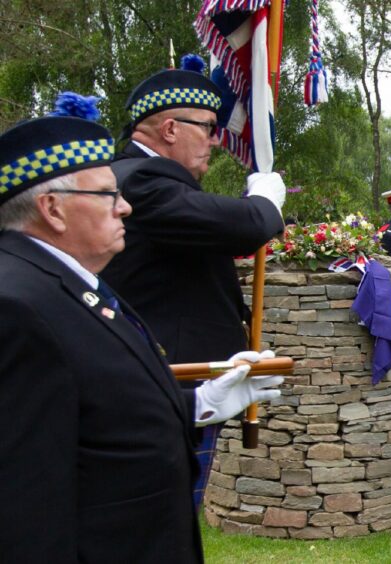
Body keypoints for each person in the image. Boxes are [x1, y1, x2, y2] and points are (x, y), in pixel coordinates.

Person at [0, 96, 282, 562]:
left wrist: (200, 404)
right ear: (52, 209)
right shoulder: (17, 308)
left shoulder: (69, 285)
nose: (126, 208)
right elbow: (24, 506)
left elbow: (99, 410)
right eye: (108, 195)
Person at [100, 60, 286, 508]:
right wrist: (264, 204)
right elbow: (236, 226)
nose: (215, 140)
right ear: (169, 129)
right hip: (173, 381)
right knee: (161, 514)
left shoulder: (150, 179)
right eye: (206, 127)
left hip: (179, 376)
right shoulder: (141, 179)